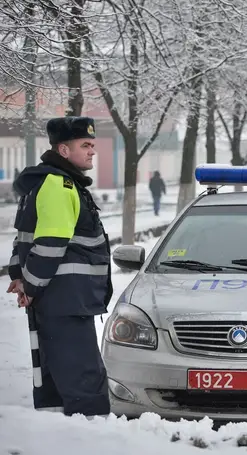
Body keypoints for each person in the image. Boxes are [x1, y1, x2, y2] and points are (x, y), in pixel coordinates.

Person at [6, 116, 113, 417]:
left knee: (52, 380)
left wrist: (21, 278)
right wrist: (29, 284)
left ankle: (58, 438)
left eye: (93, 145)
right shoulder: (61, 186)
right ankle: (93, 439)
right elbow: (50, 244)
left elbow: (23, 239)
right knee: (83, 381)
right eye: (85, 145)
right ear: (64, 150)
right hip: (67, 301)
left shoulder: (44, 183)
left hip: (56, 299)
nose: (93, 151)